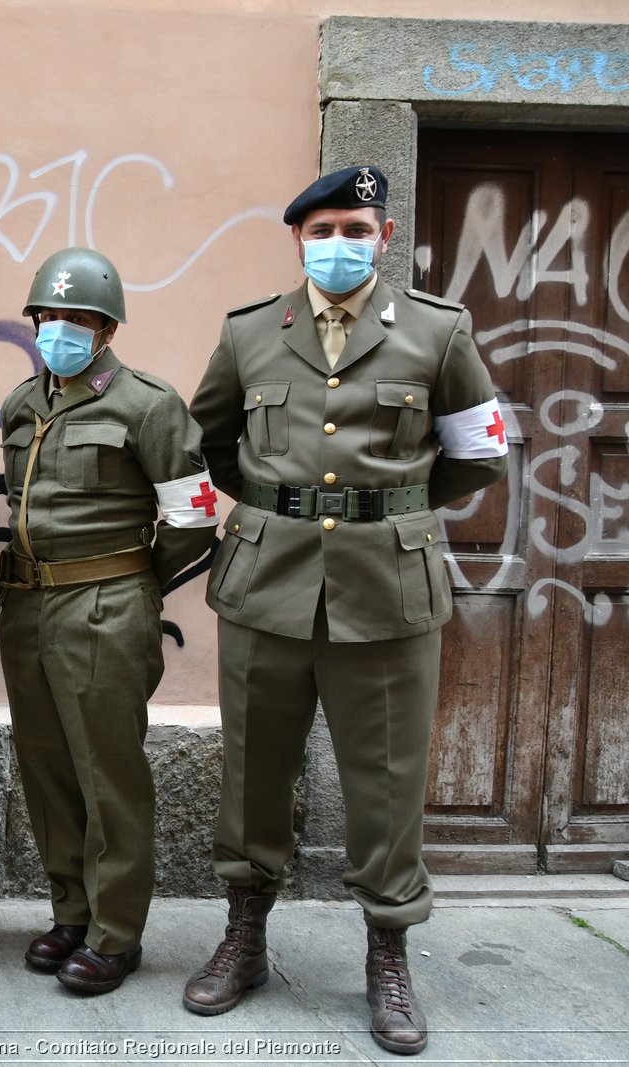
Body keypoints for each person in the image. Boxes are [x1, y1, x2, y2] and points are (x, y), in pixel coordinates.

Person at [185, 166, 508, 1056]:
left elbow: (478, 452)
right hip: (264, 585)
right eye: (322, 228)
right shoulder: (252, 332)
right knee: (253, 767)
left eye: (355, 228)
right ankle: (245, 938)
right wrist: (268, 513)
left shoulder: (440, 332)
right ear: (298, 238)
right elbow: (207, 438)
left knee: (389, 780)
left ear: (385, 234)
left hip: (388, 588)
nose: (339, 243)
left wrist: (390, 511)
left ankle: (389, 954)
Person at [0, 247, 219, 996]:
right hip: (26, 604)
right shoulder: (23, 403)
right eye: (49, 316)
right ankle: (71, 911)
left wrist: (133, 582)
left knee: (107, 773)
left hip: (106, 605)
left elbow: (194, 515)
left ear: (107, 326)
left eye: (78, 318)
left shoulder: (147, 404)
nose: (60, 328)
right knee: (47, 766)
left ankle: (116, 932)